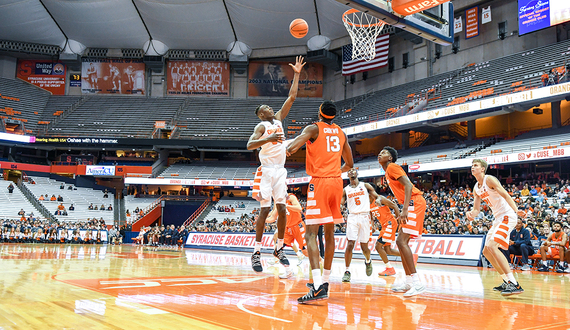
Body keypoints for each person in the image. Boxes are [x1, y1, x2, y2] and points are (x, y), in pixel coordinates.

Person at [286, 100, 354, 303]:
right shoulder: (341, 132)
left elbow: (291, 146)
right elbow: (349, 163)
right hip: (336, 182)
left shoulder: (313, 128)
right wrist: (334, 172)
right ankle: (324, 282)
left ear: (320, 112)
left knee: (310, 234)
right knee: (330, 233)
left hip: (320, 183)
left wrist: (289, 147)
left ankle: (316, 287)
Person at [246, 56, 305, 273]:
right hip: (266, 171)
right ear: (262, 114)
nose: (271, 108)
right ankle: (256, 252)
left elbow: (291, 96)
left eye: (271, 107)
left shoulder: (279, 119)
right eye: (266, 107)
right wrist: (268, 140)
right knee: (264, 211)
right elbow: (250, 145)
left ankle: (279, 248)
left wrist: (297, 74)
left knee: (282, 210)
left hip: (280, 171)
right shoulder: (261, 126)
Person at [467, 159, 526, 296]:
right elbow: (476, 209)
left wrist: (517, 211)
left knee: (493, 246)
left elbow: (505, 194)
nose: (472, 167)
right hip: (498, 218)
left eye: (475, 165)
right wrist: (471, 214)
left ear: (482, 169)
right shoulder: (476, 187)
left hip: (507, 216)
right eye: (472, 165)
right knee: (486, 251)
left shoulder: (489, 179)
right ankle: (506, 281)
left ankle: (514, 284)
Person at [378, 146, 426, 297]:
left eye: (384, 152)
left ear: (390, 158)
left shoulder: (392, 167)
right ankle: (408, 282)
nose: (380, 154)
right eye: (380, 152)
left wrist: (404, 209)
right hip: (410, 203)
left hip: (414, 203)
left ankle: (417, 283)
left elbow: (409, 185)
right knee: (400, 242)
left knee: (402, 241)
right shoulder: (387, 171)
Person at [340, 168, 378, 282]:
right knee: (350, 244)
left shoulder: (365, 185)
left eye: (353, 170)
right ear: (347, 175)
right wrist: (341, 206)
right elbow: (341, 202)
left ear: (357, 173)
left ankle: (368, 261)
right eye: (349, 171)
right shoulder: (345, 190)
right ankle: (347, 271)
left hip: (365, 216)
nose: (351, 172)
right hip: (352, 217)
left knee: (364, 246)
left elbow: (375, 195)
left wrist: (379, 199)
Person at [266, 192, 308, 276]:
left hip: (297, 225)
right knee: (277, 247)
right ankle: (288, 269)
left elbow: (299, 208)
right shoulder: (276, 199)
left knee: (306, 251)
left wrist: (286, 206)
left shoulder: (290, 197)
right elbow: (274, 212)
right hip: (286, 225)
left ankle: (321, 262)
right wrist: (263, 218)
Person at [371, 192, 402, 276]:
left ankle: (389, 268)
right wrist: (372, 226)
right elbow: (371, 216)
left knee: (378, 246)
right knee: (388, 250)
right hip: (384, 226)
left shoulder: (380, 198)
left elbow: (394, 206)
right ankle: (410, 256)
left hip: (390, 223)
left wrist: (399, 219)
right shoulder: (367, 204)